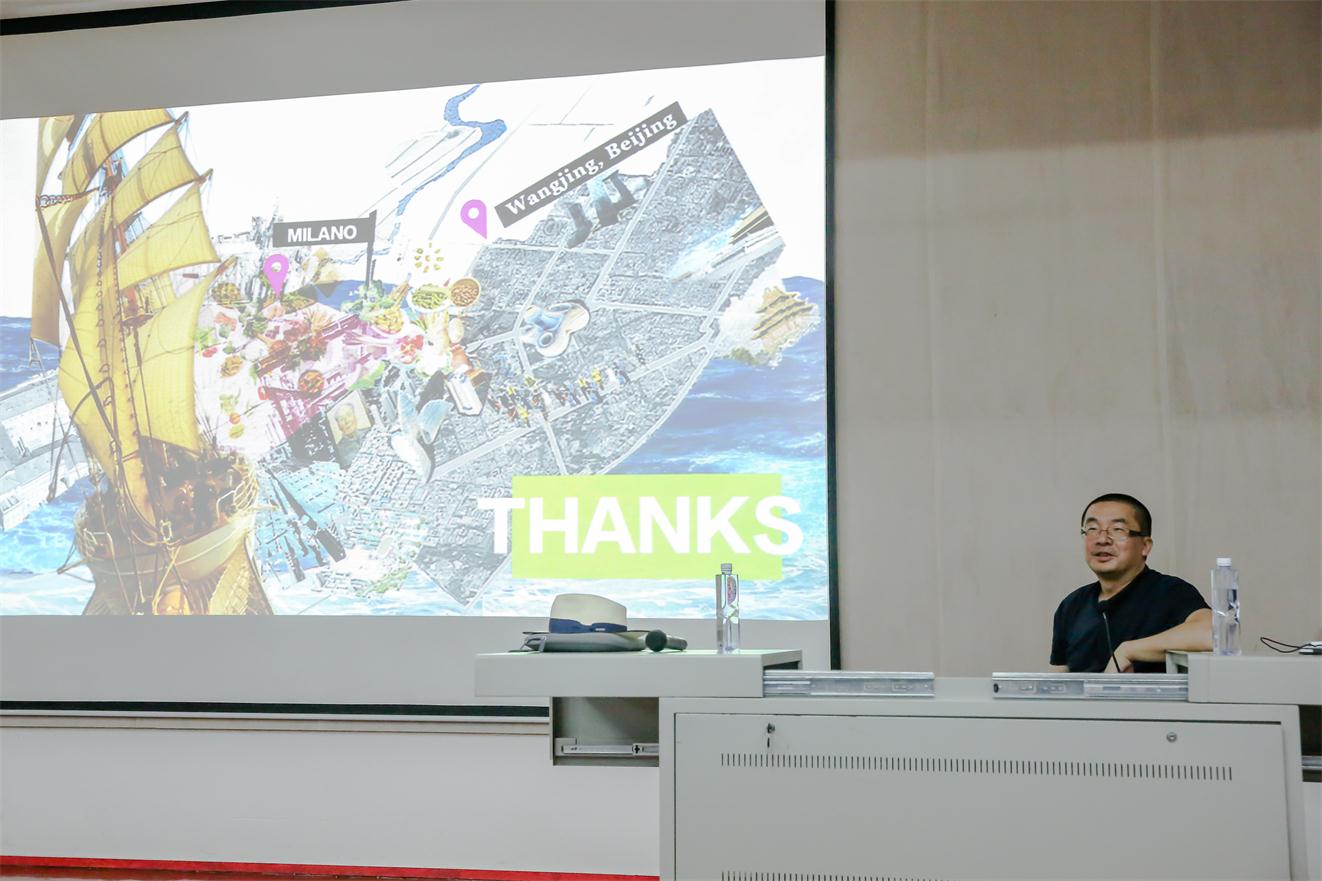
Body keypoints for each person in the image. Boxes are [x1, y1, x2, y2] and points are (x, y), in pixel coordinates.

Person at [1050, 493, 1211, 673]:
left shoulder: (1170, 592)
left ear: (1145, 546)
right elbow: (1058, 681)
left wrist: (1128, 651)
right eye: (1092, 529)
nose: (1102, 539)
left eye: (1118, 529)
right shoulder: (1072, 605)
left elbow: (1213, 633)